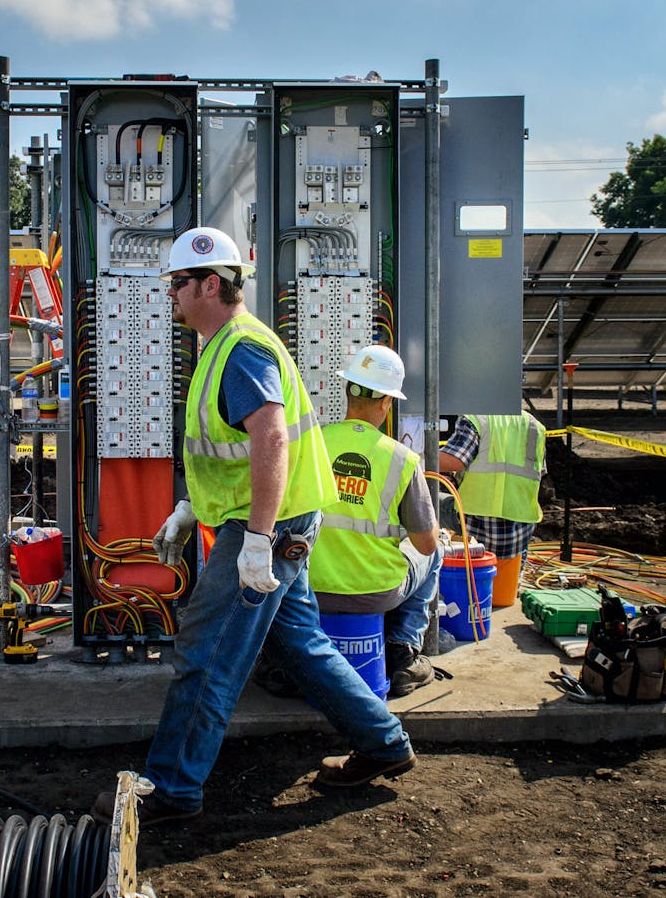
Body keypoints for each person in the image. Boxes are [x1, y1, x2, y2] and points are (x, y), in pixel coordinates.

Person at [92, 226, 415, 828]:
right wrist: (194, 506)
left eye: (178, 283)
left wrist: (259, 541)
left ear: (210, 283)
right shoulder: (226, 345)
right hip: (268, 521)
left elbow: (270, 438)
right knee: (301, 645)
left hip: (265, 527)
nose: (171, 294)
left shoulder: (240, 348)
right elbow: (239, 445)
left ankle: (171, 788)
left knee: (206, 655)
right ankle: (385, 743)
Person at [303, 344, 442, 697]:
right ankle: (403, 652)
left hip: (311, 590)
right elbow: (425, 544)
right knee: (436, 551)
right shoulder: (402, 459)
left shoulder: (312, 444)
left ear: (347, 390)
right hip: (375, 592)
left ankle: (283, 661)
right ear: (386, 402)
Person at [437, 411, 547, 606]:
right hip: (521, 525)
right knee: (507, 578)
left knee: (429, 501)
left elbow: (455, 460)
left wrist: (413, 457)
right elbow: (540, 471)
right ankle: (511, 584)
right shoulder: (534, 424)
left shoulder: (476, 419)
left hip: (478, 522)